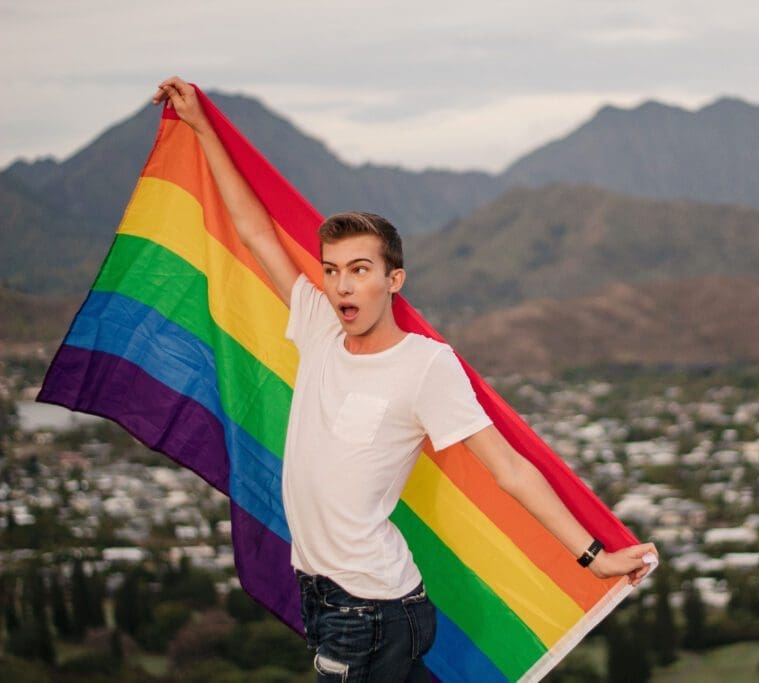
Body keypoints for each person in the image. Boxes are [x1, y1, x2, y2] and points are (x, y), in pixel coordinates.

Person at [153, 76, 657, 682]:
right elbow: (255, 231)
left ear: (393, 281)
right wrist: (202, 126)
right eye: (333, 269)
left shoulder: (425, 366)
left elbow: (510, 470)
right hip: (325, 594)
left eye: (360, 269)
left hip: (370, 608)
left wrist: (592, 557)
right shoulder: (316, 327)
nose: (341, 284)